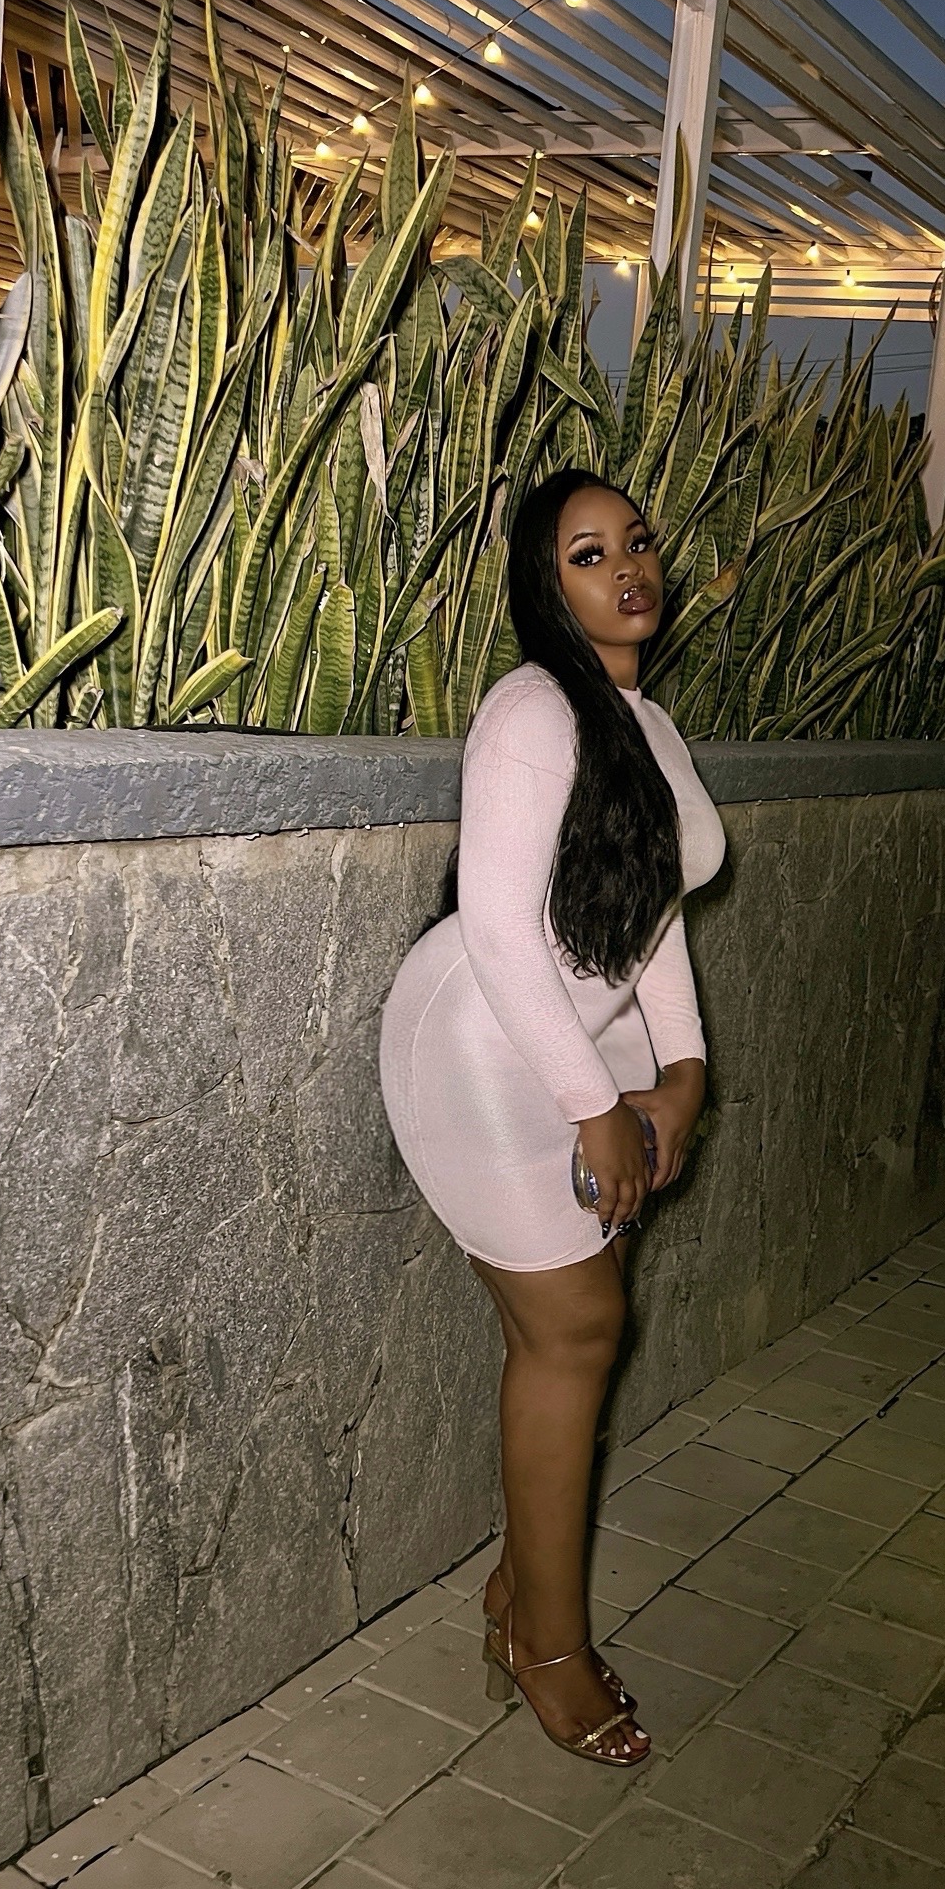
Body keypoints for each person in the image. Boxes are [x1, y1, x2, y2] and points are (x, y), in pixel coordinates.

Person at [379, 467, 727, 1766]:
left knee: (578, 1336)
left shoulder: (652, 724)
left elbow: (655, 913)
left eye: (636, 541)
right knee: (576, 1330)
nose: (626, 566)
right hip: (483, 1043)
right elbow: (499, 927)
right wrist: (596, 1107)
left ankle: (514, 1595)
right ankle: (547, 1648)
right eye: (588, 554)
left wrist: (681, 1071)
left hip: (592, 1045)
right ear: (547, 584)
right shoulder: (531, 709)